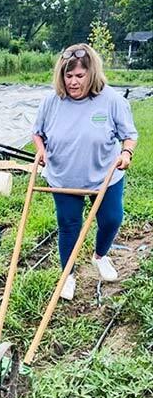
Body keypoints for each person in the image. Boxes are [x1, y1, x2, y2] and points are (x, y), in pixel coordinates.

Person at [32, 44, 138, 300]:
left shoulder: (111, 100)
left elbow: (129, 135)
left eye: (80, 76)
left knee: (112, 219)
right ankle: (67, 274)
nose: (73, 82)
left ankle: (100, 255)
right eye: (68, 76)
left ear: (92, 74)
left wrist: (126, 153)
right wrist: (41, 150)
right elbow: (38, 133)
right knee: (69, 225)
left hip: (104, 175)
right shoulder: (51, 102)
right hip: (64, 177)